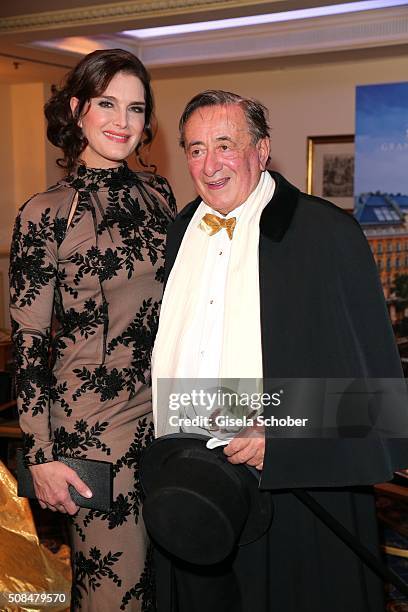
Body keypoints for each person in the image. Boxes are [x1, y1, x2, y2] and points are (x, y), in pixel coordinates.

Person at [151, 90, 408, 611]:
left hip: (293, 490)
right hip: (191, 480)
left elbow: (382, 401)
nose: (210, 163)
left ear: (262, 149)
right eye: (196, 149)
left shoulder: (327, 233)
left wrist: (285, 432)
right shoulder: (180, 232)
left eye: (225, 145)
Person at [9, 48, 176, 611]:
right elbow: (29, 340)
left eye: (135, 108)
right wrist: (40, 455)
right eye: (108, 104)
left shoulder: (160, 197)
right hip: (91, 429)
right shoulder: (45, 213)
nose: (123, 123)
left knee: (164, 583)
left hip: (166, 417)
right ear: (78, 109)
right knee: (114, 592)